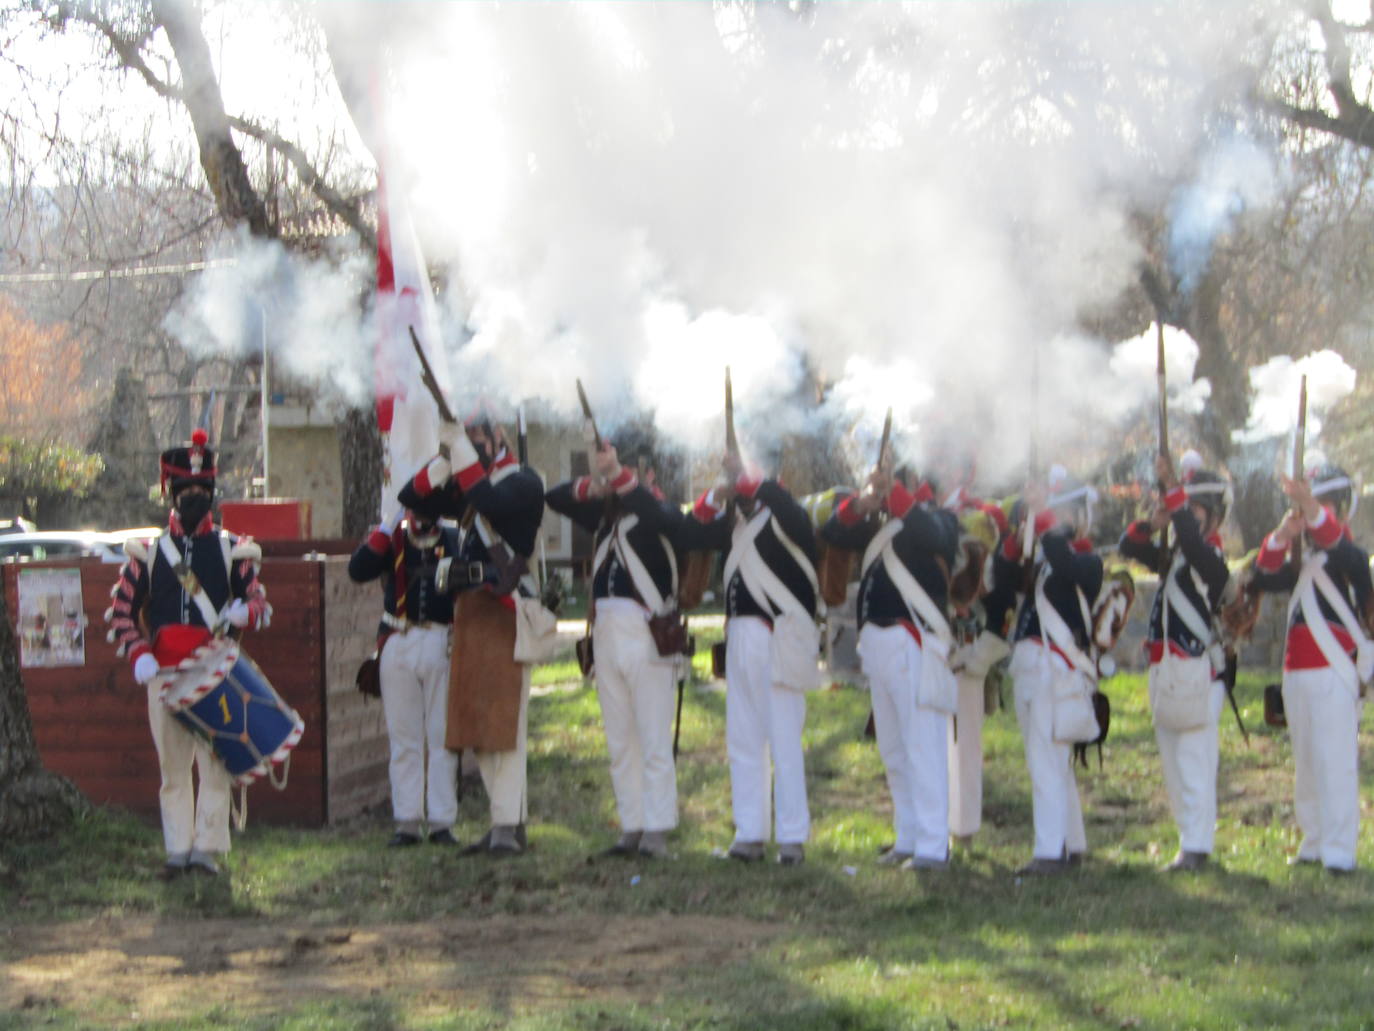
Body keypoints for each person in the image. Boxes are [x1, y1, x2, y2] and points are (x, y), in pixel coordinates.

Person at [105, 429, 270, 880]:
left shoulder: (232, 549)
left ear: (212, 494)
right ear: (172, 495)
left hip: (216, 670)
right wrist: (139, 652)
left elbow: (260, 605)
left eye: (201, 490)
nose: (194, 497)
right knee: (173, 768)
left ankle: (208, 849)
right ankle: (178, 849)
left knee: (216, 765)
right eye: (186, 491)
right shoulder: (150, 552)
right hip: (164, 672)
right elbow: (120, 611)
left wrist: (243, 613)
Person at [400, 414, 545, 855]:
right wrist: (444, 459)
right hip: (470, 610)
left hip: (504, 609)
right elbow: (412, 497)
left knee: (504, 725)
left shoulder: (524, 480)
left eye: (478, 438)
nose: (475, 446)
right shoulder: (468, 480)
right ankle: (505, 822)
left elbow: (492, 502)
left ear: (497, 436)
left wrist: (461, 455)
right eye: (470, 440)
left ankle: (507, 825)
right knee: (477, 728)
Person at [545, 438, 684, 859]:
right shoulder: (606, 517)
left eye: (626, 469)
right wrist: (597, 484)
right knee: (620, 740)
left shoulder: (661, 513)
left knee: (654, 737)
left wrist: (619, 478)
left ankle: (657, 829)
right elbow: (554, 498)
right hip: (606, 631)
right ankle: (632, 825)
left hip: (646, 632)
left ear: (649, 475)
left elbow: (666, 520)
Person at [679, 451, 819, 865]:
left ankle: (792, 837)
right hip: (739, 636)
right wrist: (717, 491)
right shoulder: (732, 522)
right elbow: (689, 533)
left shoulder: (787, 515)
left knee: (784, 742)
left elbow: (792, 514)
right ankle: (749, 832)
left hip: (779, 638)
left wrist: (751, 482)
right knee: (743, 739)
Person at [823, 465, 960, 870]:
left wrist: (896, 496)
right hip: (878, 644)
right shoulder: (878, 523)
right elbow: (833, 531)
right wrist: (862, 503)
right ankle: (908, 836)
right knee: (894, 750)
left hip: (912, 642)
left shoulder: (939, 518)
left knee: (923, 748)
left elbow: (934, 536)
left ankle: (934, 844)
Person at [1249, 462, 1372, 874]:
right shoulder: (1306, 559)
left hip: (1334, 671)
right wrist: (1284, 534)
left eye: (1321, 504)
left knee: (1334, 762)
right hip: (1297, 672)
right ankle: (1314, 839)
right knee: (1306, 762)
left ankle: (1339, 850)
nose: (1314, 511)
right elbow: (1263, 575)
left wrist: (1310, 510)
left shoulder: (1348, 555)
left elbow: (1335, 541)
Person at [1118, 451, 1231, 872]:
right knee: (1173, 761)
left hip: (1197, 671)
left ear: (1213, 516)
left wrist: (1175, 496)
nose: (1191, 516)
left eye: (1198, 509)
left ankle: (1198, 846)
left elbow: (1196, 545)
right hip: (1167, 671)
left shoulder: (1212, 559)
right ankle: (1189, 841)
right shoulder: (1176, 555)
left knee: (1195, 760)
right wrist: (1156, 518)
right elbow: (1130, 544)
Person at [1002, 466, 1104, 875]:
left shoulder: (1088, 560)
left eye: (1063, 513)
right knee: (1052, 764)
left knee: (1047, 764)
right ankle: (1072, 843)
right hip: (1034, 668)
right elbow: (1007, 575)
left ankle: (1049, 852)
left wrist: (1043, 519)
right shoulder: (1043, 556)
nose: (1056, 520)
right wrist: (1021, 526)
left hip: (1054, 669)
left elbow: (1064, 561)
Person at [348, 500, 463, 847]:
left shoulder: (455, 537)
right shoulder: (393, 538)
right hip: (398, 638)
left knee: (442, 736)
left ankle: (442, 820)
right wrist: (385, 527)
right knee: (404, 739)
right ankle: (407, 821)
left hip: (441, 638)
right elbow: (358, 570)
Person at [936, 461, 1013, 845]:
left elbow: (989, 594)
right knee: (929, 739)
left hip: (967, 644)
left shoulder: (983, 522)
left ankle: (962, 826)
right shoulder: (938, 518)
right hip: (933, 640)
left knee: (965, 740)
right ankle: (931, 822)